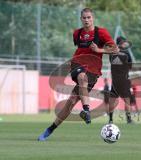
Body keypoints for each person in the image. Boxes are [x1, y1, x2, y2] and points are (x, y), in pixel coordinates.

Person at [38, 8, 119, 141]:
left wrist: (98, 49)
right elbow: (79, 49)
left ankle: (50, 129)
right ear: (81, 19)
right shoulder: (77, 33)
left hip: (93, 71)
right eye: (84, 18)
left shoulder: (101, 32)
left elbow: (115, 49)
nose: (86, 20)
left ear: (93, 18)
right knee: (82, 77)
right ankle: (86, 110)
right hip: (78, 65)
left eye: (89, 17)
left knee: (70, 102)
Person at [108, 36, 133, 124]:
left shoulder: (112, 53)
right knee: (127, 100)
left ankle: (110, 120)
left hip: (115, 81)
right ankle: (129, 119)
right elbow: (130, 66)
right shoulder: (126, 53)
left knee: (112, 100)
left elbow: (111, 62)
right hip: (124, 80)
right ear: (122, 43)